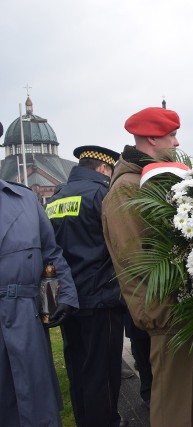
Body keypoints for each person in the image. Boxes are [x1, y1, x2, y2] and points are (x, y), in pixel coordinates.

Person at [102, 107, 193, 427]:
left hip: (184, 310)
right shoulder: (128, 187)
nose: (177, 142)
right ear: (151, 138)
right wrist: (164, 313)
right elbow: (134, 259)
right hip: (167, 314)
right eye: (171, 135)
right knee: (173, 406)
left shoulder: (152, 176)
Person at [45, 145, 128, 427]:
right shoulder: (102, 195)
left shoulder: (56, 197)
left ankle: (85, 420)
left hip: (67, 298)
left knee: (77, 366)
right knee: (102, 370)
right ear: (104, 168)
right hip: (101, 297)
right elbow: (120, 244)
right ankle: (106, 422)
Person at [0, 137, 79, 425]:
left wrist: (65, 294)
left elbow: (51, 253)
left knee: (35, 405)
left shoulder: (24, 199)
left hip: (25, 319)